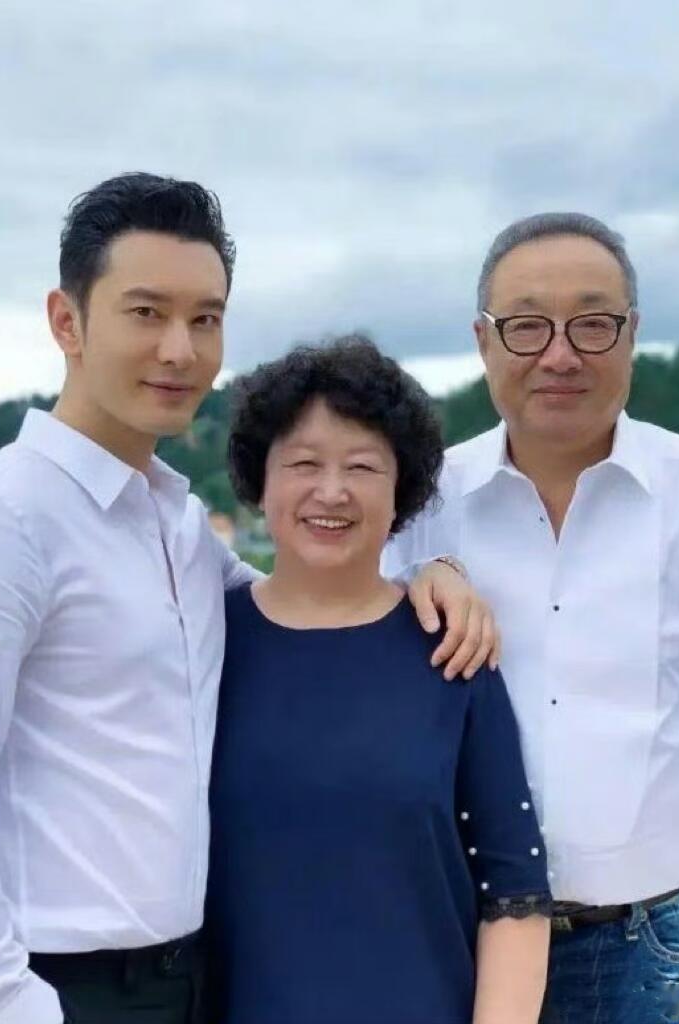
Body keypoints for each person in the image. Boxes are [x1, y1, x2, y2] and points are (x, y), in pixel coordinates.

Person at [0, 173, 498, 1024]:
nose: (180, 349)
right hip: (57, 988)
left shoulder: (172, 521)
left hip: (196, 981)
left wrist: (432, 574)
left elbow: (299, 600)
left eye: (205, 319)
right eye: (146, 313)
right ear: (67, 321)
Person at [383, 212, 679, 1022]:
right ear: (483, 341)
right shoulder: (423, 503)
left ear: (632, 334)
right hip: (462, 929)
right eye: (527, 325)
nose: (560, 354)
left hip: (655, 934)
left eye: (593, 323)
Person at [206, 336, 552, 1024]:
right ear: (260, 480)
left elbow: (514, 891)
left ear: (402, 489)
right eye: (303, 463)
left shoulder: (450, 646)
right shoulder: (205, 641)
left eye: (362, 466)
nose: (331, 491)